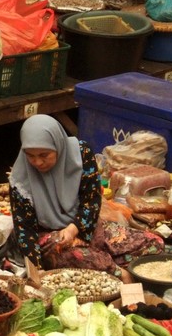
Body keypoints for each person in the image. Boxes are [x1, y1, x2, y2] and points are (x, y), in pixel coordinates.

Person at [9, 114, 112, 273]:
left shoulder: (81, 153)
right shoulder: (20, 179)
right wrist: (38, 272)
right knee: (81, 257)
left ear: (58, 145)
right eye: (30, 155)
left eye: (44, 155)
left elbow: (91, 201)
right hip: (48, 237)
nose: (37, 162)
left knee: (151, 243)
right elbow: (24, 229)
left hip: (81, 226)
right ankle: (117, 272)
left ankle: (108, 264)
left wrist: (73, 229)